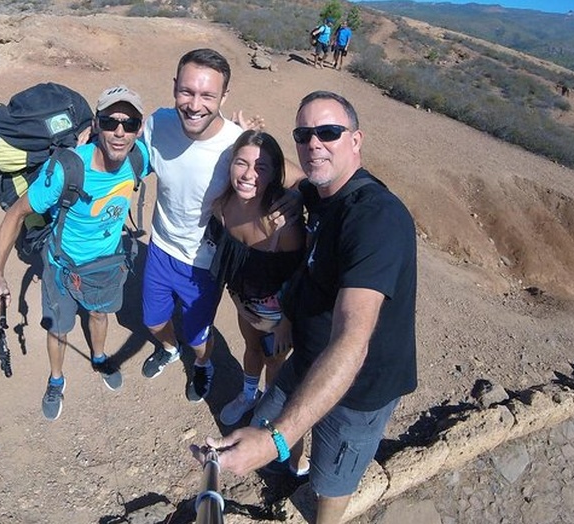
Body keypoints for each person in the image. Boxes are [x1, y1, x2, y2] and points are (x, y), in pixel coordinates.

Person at [197, 91, 418, 524]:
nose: (315, 143)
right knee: (266, 422)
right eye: (304, 134)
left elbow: (354, 339)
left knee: (330, 482)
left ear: (356, 140)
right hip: (310, 357)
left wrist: (274, 440)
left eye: (329, 132)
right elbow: (287, 175)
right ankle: (286, 467)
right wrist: (242, 136)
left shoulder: (376, 218)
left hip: (361, 386)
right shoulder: (320, 193)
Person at [0, 85, 150, 421]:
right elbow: (16, 213)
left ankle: (100, 356)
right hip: (61, 268)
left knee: (99, 315)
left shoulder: (140, 157)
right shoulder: (68, 170)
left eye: (129, 123)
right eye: (110, 121)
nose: (119, 132)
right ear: (96, 123)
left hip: (105, 266)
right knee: (58, 329)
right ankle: (56, 378)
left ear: (139, 127)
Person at [138, 48, 248, 403]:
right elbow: (129, 158)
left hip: (203, 263)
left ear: (224, 97)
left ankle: (203, 365)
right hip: (160, 247)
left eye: (207, 95)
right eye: (187, 91)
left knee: (199, 336)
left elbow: (277, 183)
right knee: (154, 322)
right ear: (174, 88)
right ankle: (170, 350)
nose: (195, 104)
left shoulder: (236, 146)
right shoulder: (158, 124)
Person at [206, 129, 304, 428]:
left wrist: (287, 321)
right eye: (241, 163)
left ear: (275, 175)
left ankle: (268, 411)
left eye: (261, 167)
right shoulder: (221, 208)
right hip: (245, 305)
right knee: (250, 348)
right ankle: (249, 394)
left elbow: (301, 276)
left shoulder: (283, 226)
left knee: (274, 361)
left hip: (280, 317)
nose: (249, 174)